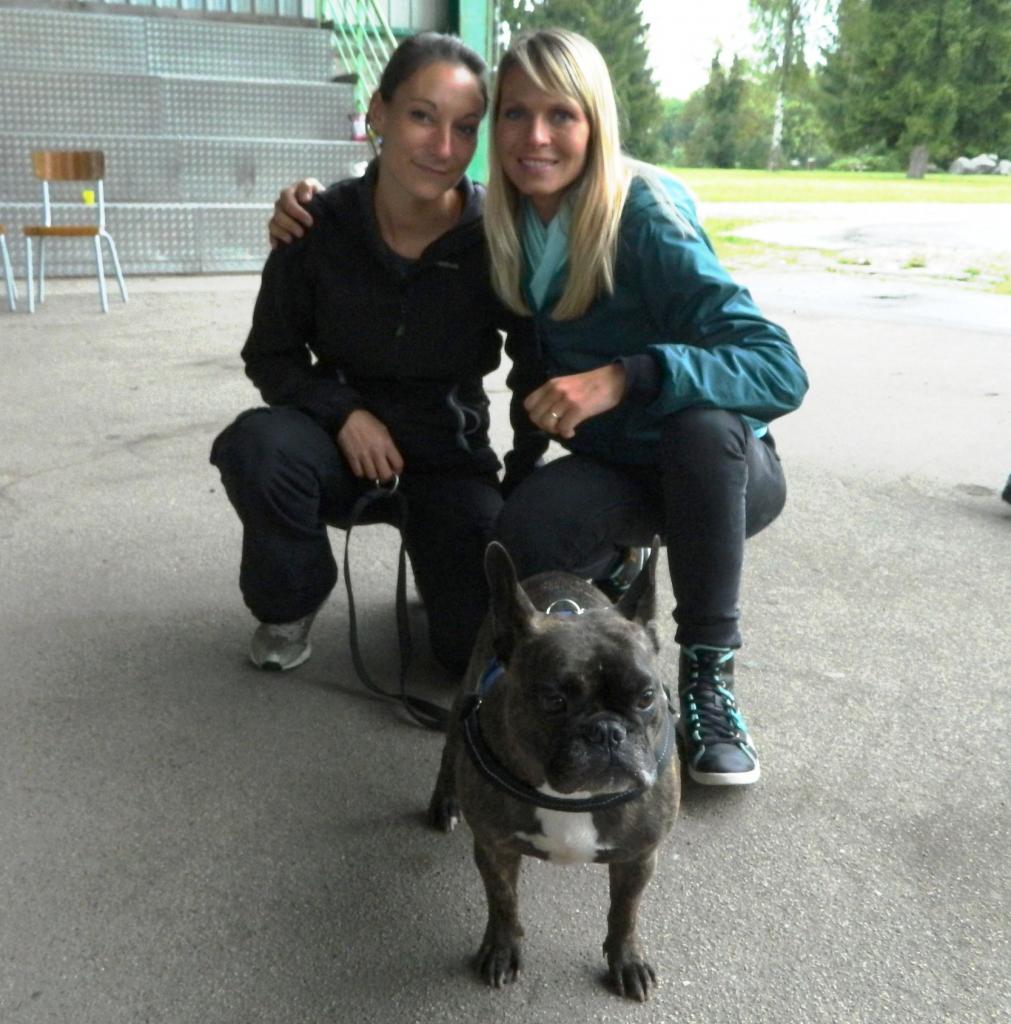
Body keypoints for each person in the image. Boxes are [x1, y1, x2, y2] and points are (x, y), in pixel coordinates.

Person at [482, 29, 809, 786]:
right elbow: (533, 371)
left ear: (594, 124)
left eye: (560, 114)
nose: (535, 136)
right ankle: (589, 634)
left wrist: (625, 377)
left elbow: (779, 368)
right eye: (514, 113)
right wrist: (314, 206)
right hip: (620, 465)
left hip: (721, 474)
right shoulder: (511, 224)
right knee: (525, 533)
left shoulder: (643, 216)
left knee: (699, 426)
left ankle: (705, 680)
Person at [210, 33, 537, 677]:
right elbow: (270, 354)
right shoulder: (315, 223)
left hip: (447, 461)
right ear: (378, 114)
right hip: (331, 450)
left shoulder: (497, 238)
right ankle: (291, 600)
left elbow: (538, 364)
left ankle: (442, 566)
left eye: (465, 127)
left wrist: (522, 485)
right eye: (421, 115)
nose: (443, 148)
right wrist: (341, 412)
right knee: (260, 447)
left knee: (467, 659)